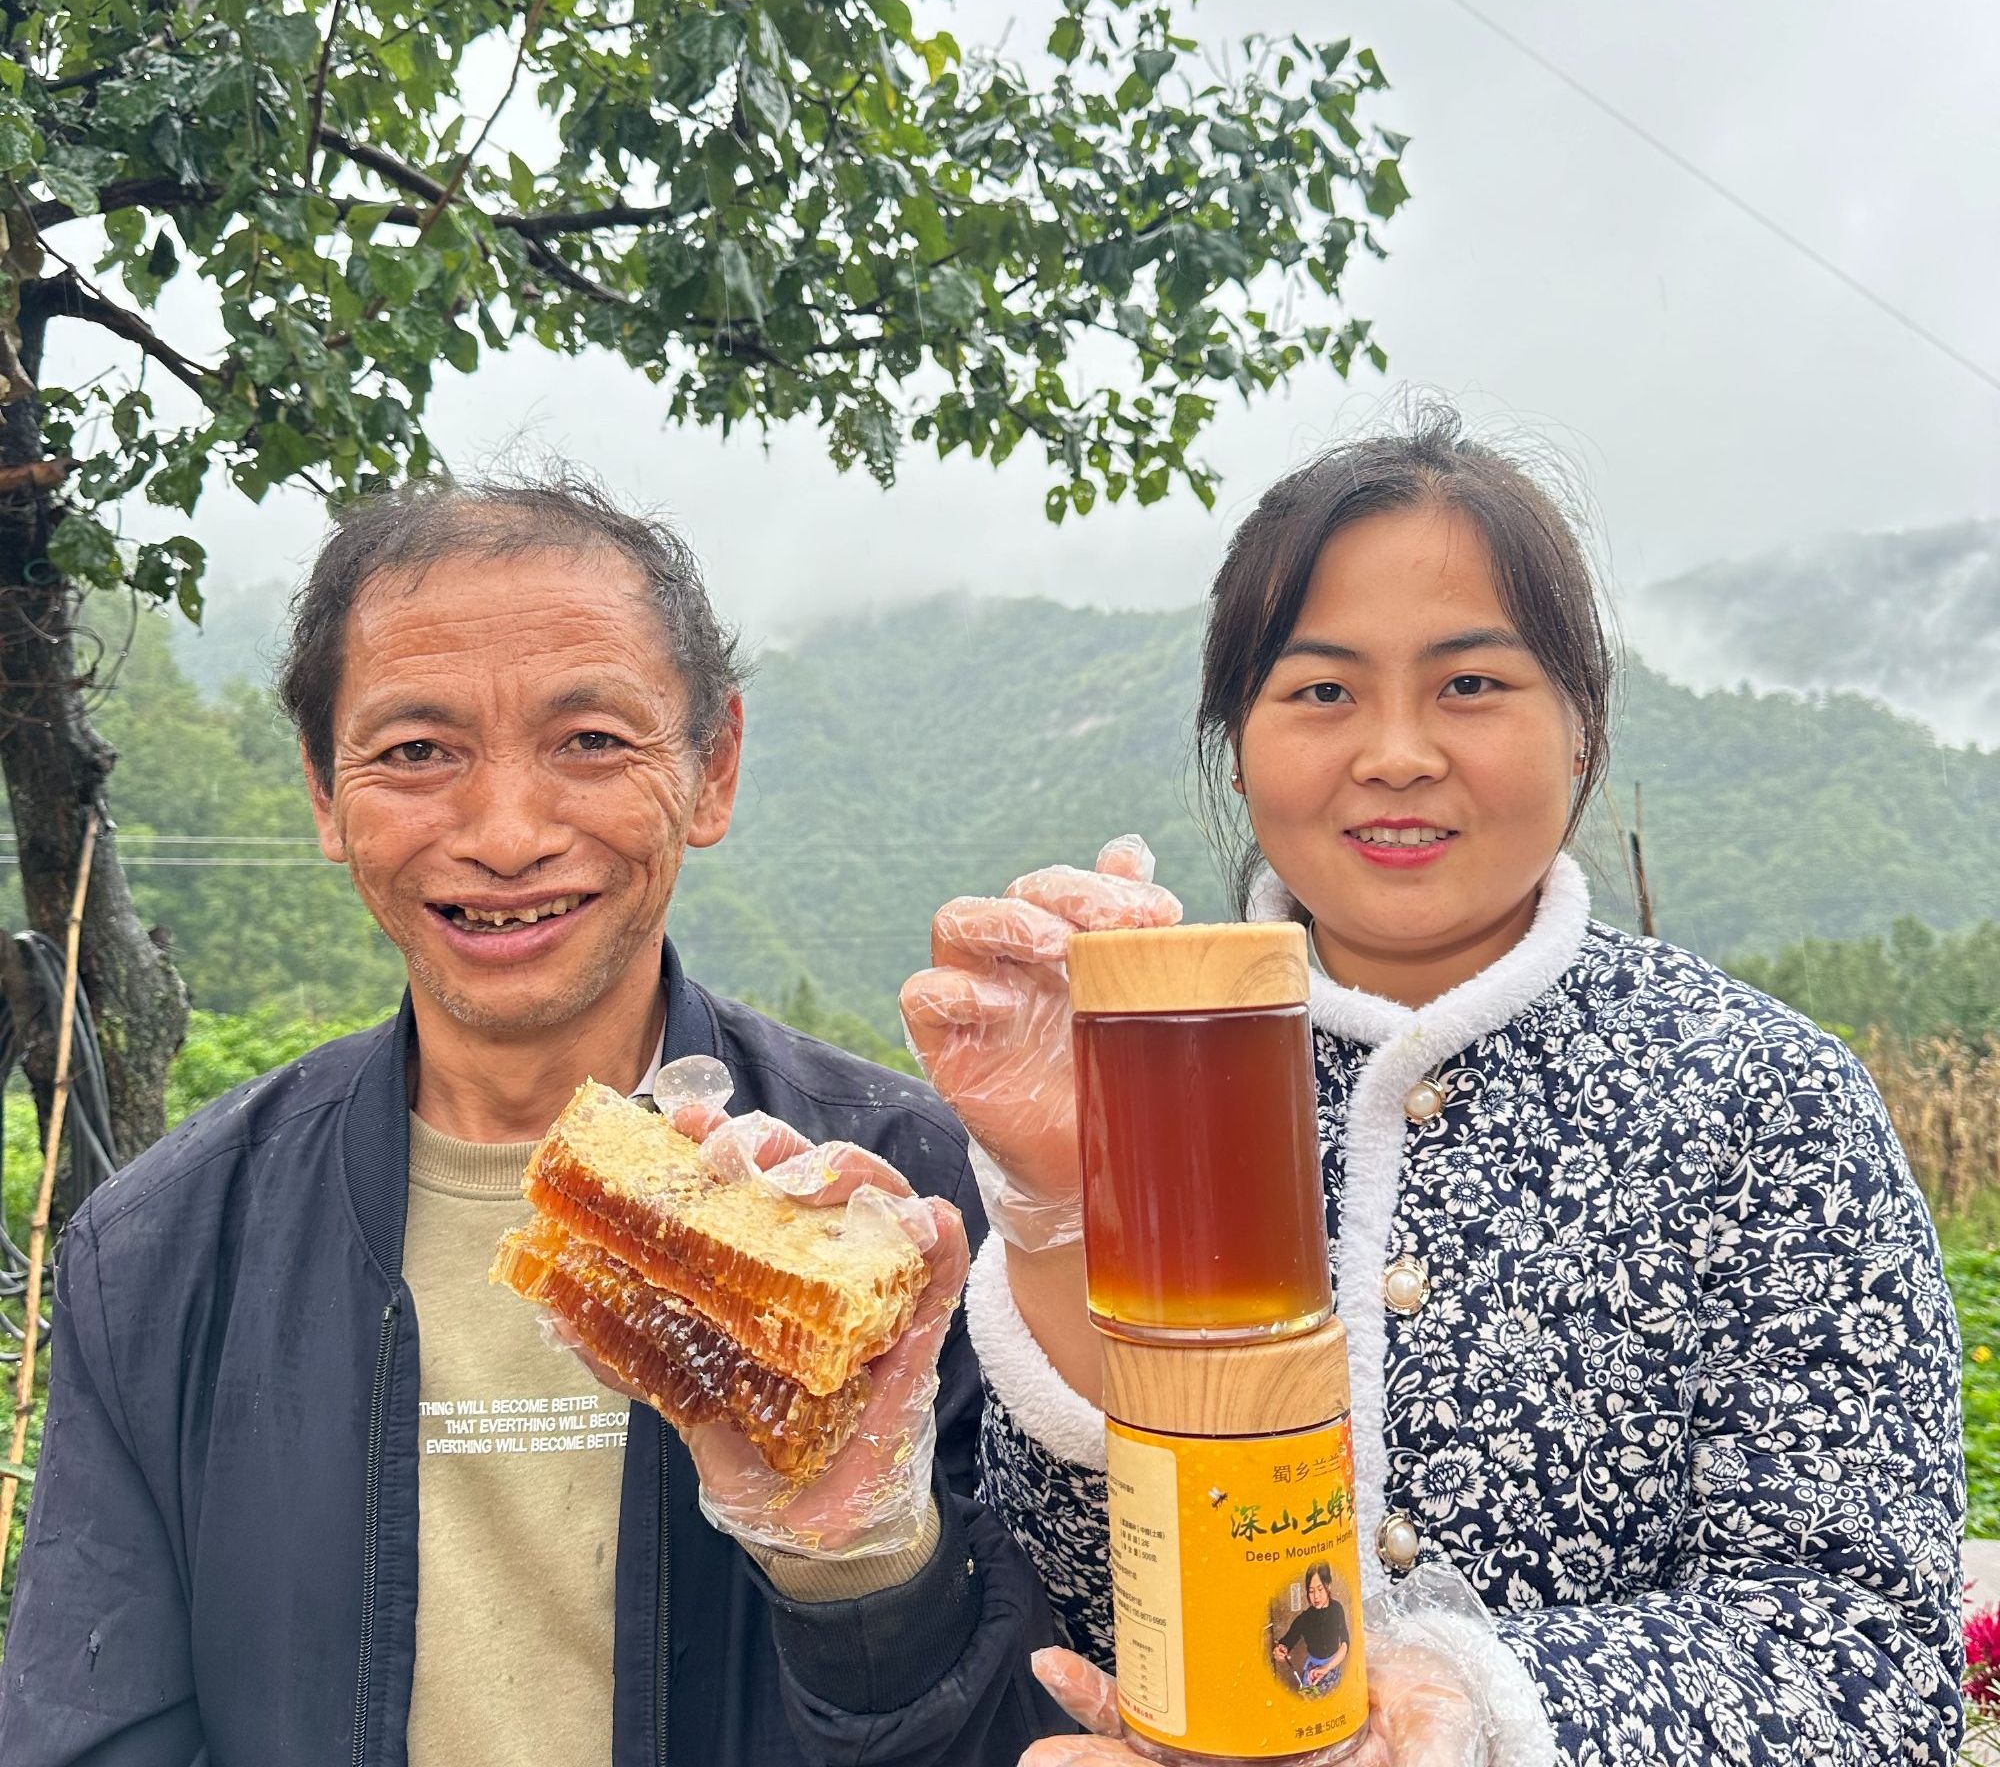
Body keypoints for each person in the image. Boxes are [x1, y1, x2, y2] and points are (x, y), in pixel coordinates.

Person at [902, 402, 1966, 1765]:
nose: (1396, 751)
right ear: (1239, 743)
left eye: (1471, 685)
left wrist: (1468, 1715)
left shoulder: (1767, 1101)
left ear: (1582, 728)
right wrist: (1062, 1210)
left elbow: (1865, 1652)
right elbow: (1078, 1578)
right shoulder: (1166, 1074)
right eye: (1323, 690)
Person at [0, 477, 1064, 1767]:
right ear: (326, 795)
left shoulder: (920, 1210)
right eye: (415, 752)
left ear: (712, 767)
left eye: (592, 740)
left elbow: (1053, 1720)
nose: (505, 835)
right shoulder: (162, 1253)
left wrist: (863, 1565)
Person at [1273, 1563, 1350, 1693]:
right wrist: (1280, 1650)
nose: (1316, 1597)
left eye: (1320, 1589)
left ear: (1328, 1585)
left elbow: (1345, 1643)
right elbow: (1286, 1642)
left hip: (1333, 1667)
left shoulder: (1337, 1609)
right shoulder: (1304, 1618)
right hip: (1312, 1674)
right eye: (1311, 1591)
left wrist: (1327, 1667)